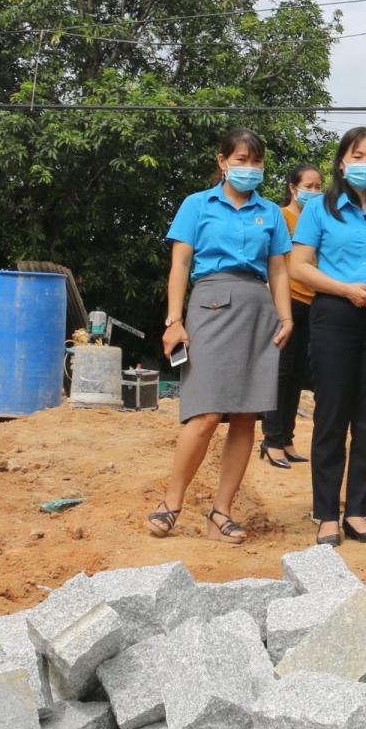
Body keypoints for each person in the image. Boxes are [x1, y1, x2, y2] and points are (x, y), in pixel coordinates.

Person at [148, 128, 294, 544]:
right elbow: (179, 265)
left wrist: (286, 318)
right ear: (222, 161)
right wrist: (173, 320)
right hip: (209, 304)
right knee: (206, 413)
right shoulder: (197, 205)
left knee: (247, 415)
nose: (249, 168)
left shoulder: (270, 212)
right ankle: (171, 504)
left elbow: (280, 269)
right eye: (242, 159)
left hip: (258, 310)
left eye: (257, 161)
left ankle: (221, 513)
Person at [289, 127, 366, 546]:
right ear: (342, 161)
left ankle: (357, 513)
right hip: (334, 315)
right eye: (358, 155)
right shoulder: (320, 210)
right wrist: (345, 289)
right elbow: (299, 266)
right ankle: (326, 514)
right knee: (331, 415)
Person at [261, 163, 323, 468]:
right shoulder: (280, 216)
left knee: (298, 374)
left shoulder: (319, 219)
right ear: (292, 188)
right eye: (308, 186)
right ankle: (271, 440)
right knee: (280, 373)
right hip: (284, 302)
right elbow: (272, 261)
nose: (313, 191)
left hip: (312, 302)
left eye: (317, 186)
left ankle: (286, 438)